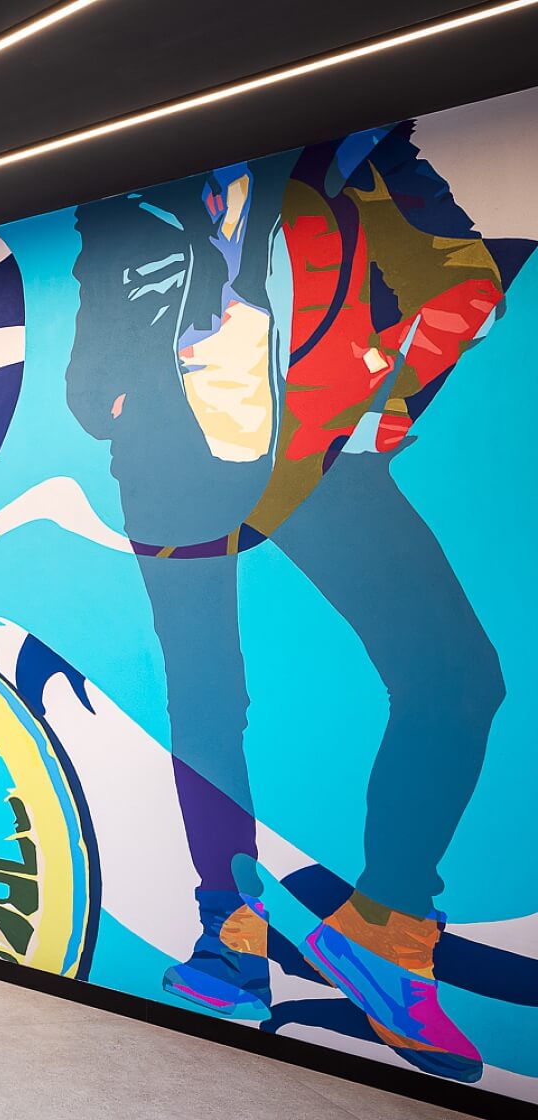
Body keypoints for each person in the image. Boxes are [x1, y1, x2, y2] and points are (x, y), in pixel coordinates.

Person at [66, 126, 512, 1083]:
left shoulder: (353, 150)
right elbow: (86, 380)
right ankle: (232, 940)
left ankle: (385, 930)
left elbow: (465, 280)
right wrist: (130, 393)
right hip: (169, 469)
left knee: (456, 680)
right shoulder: (121, 199)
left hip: (317, 451)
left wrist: (379, 405)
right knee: (208, 702)